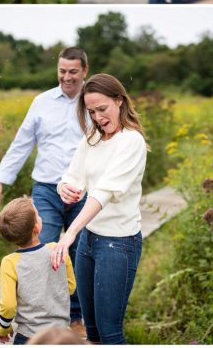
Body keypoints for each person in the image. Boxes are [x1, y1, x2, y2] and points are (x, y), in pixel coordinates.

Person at [0, 49, 88, 331]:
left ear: (84, 71)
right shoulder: (42, 102)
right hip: (46, 189)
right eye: (62, 71)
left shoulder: (92, 102)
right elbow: (22, 142)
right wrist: (0, 179)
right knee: (40, 248)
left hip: (82, 192)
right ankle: (35, 319)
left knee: (78, 252)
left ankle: (75, 316)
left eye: (72, 71)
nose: (66, 77)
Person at [50, 74, 148, 346]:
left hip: (118, 244)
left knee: (110, 334)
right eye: (91, 111)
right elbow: (72, 175)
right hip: (88, 242)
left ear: (119, 101)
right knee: (90, 332)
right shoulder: (92, 137)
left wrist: (69, 233)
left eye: (102, 109)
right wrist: (64, 188)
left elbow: (104, 192)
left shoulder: (131, 142)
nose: (97, 117)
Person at [0, 195, 76, 345]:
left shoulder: (9, 263)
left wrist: (4, 328)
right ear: (36, 228)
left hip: (28, 337)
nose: (40, 216)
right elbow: (70, 288)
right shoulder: (57, 250)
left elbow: (8, 306)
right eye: (38, 215)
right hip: (61, 336)